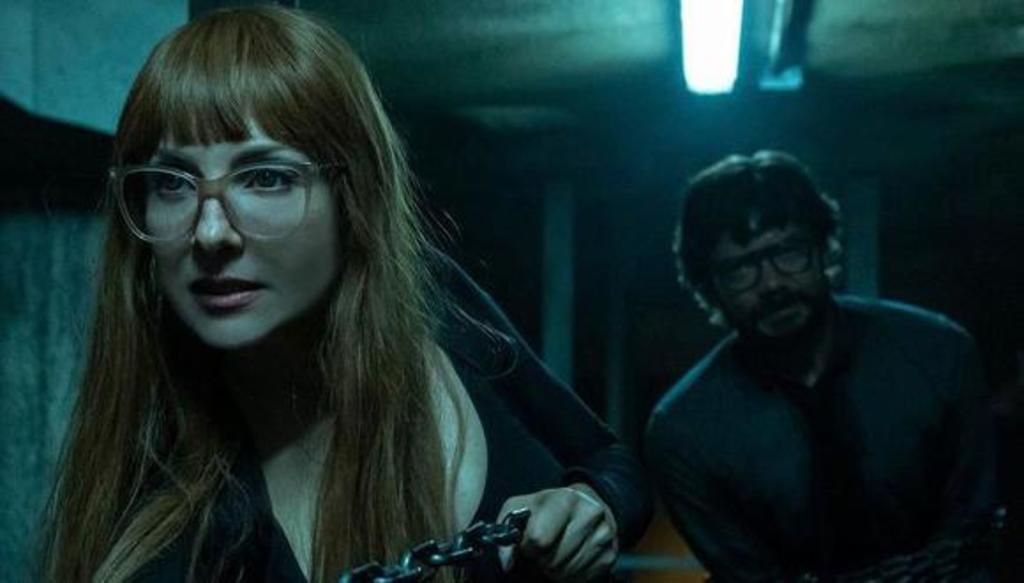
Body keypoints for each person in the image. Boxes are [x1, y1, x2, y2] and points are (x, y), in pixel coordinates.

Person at [41, 7, 651, 582]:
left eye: (266, 177)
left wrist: (592, 503)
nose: (210, 233)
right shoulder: (184, 538)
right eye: (173, 184)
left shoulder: (433, 300)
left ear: (351, 196)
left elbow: (612, 461)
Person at [645, 151, 999, 582]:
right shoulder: (686, 428)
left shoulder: (938, 352)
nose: (772, 283)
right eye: (739, 269)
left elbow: (973, 533)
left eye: (788, 252)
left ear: (822, 246)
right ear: (709, 286)